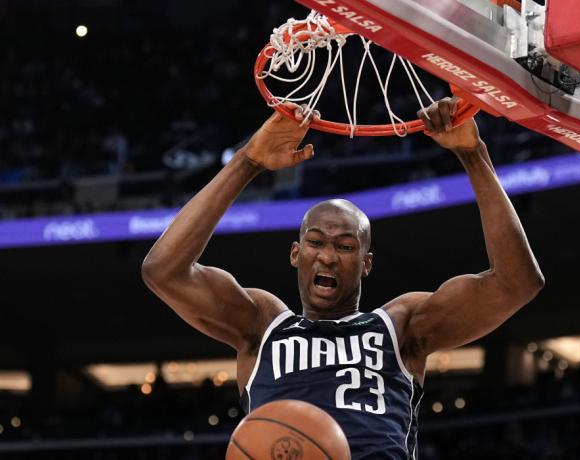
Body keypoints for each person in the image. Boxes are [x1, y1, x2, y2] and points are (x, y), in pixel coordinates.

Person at [141, 98, 544, 459]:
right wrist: (247, 162)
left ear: (366, 264)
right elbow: (163, 270)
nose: (328, 257)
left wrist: (474, 156)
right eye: (316, 242)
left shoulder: (400, 326)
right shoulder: (261, 325)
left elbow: (517, 283)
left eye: (346, 246)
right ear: (296, 254)